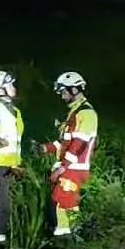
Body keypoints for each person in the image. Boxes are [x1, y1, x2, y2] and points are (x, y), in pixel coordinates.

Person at [41, 71, 98, 237]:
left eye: (64, 92)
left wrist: (63, 167)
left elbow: (79, 145)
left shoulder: (86, 113)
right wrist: (47, 148)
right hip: (70, 166)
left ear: (75, 90)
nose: (62, 96)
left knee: (60, 200)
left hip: (74, 167)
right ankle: (77, 232)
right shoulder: (74, 112)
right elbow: (66, 142)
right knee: (70, 203)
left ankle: (63, 238)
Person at [0, 70, 25, 245]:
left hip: (7, 167)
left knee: (4, 206)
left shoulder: (15, 111)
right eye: (10, 84)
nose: (13, 88)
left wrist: (15, 164)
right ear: (0, 89)